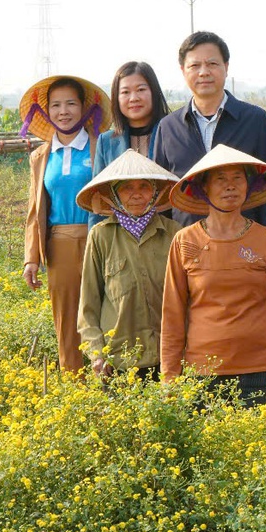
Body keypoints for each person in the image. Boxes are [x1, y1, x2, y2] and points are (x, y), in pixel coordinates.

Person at [160, 144, 266, 403]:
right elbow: (173, 313)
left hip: (265, 367)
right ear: (204, 188)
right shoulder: (184, 241)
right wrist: (170, 376)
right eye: (221, 179)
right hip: (203, 371)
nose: (230, 186)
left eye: (238, 178)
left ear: (248, 186)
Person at [20, 75, 112, 372]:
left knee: (107, 312)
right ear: (46, 112)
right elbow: (35, 210)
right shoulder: (41, 156)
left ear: (84, 108)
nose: (64, 111)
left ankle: (112, 384)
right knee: (67, 317)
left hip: (102, 239)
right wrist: (31, 258)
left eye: (71, 103)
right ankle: (75, 383)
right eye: (56, 105)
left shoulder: (103, 147)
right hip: (59, 243)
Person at [76, 150, 182, 380]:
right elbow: (88, 303)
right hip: (119, 359)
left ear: (155, 192)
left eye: (144, 186)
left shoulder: (174, 233)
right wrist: (97, 354)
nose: (136, 195)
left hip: (169, 357)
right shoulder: (101, 236)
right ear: (113, 195)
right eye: (126, 188)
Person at [153, 31, 266, 228]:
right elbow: (163, 194)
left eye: (212, 64)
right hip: (188, 245)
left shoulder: (256, 120)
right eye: (194, 65)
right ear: (183, 70)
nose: (203, 72)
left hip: (245, 242)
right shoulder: (168, 127)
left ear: (226, 67)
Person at [90, 61, 170, 227]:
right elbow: (98, 198)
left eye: (141, 90)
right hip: (120, 239)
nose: (134, 98)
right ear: (117, 99)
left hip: (167, 232)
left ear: (154, 93)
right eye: (125, 92)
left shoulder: (172, 133)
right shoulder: (106, 142)